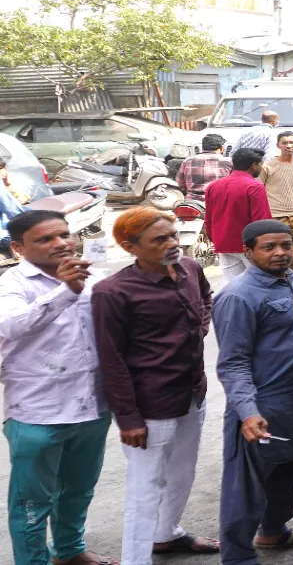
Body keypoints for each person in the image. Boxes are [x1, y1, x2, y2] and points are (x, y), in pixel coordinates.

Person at [93, 207, 218, 561]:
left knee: (182, 472)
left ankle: (166, 534)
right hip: (150, 404)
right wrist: (128, 418)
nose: (172, 243)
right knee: (145, 487)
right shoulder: (112, 291)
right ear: (131, 247)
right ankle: (137, 558)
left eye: (173, 235)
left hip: (193, 391)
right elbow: (111, 360)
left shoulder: (190, 268)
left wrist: (200, 327)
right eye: (159, 239)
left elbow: (207, 298)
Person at [0, 211, 116, 565]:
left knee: (78, 489)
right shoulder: (13, 284)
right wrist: (66, 291)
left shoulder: (93, 280)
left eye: (65, 235)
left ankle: (69, 551)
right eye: (46, 239)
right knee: (32, 502)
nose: (62, 244)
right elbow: (10, 326)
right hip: (38, 413)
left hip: (92, 407)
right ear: (19, 248)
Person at [213, 220, 293, 563]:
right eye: (269, 247)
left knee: (290, 472)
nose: (280, 253)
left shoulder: (290, 280)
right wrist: (248, 412)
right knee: (245, 489)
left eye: (286, 246)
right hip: (262, 406)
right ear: (248, 252)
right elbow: (232, 363)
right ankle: (238, 557)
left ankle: (273, 531)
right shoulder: (237, 296)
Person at [204, 148, 273, 281]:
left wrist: (216, 239)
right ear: (254, 165)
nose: (261, 168)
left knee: (232, 285)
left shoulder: (214, 186)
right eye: (260, 165)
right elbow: (261, 221)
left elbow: (209, 218)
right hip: (250, 245)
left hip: (223, 242)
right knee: (260, 282)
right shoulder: (254, 186)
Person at [258, 132, 293, 270]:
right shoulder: (267, 166)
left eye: (292, 142)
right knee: (275, 253)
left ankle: (290, 282)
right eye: (285, 142)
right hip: (275, 216)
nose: (289, 146)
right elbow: (258, 191)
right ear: (278, 145)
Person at [177, 134, 233, 202]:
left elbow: (180, 182)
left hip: (192, 202)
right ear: (221, 148)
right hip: (218, 201)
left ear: (203, 147)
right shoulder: (229, 162)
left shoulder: (188, 161)